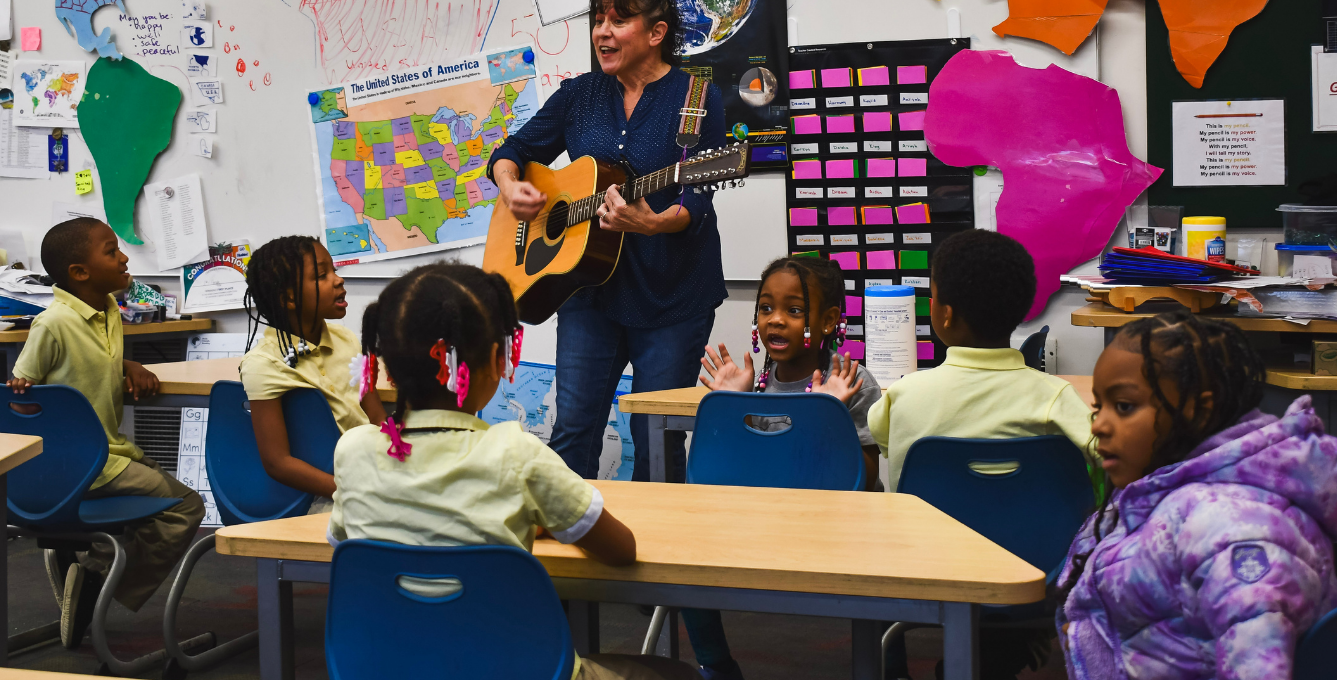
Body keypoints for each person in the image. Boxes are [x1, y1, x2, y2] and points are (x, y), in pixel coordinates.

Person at [329, 263, 701, 680]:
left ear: (386, 368)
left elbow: (346, 542)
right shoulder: (515, 453)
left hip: (388, 667)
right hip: (517, 670)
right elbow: (620, 549)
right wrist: (540, 518)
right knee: (678, 674)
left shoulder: (353, 451)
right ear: (494, 358)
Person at [487, 0, 727, 482]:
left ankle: (659, 555)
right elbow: (511, 153)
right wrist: (511, 187)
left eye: (619, 20)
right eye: (598, 20)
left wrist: (654, 223)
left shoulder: (695, 96)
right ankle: (573, 550)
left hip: (671, 297)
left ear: (656, 33)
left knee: (656, 439)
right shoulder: (579, 95)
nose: (603, 32)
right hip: (586, 292)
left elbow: (695, 197)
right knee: (573, 429)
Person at [866, 228, 1093, 679]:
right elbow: (1105, 453)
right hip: (1035, 569)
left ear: (944, 313)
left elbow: (890, 446)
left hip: (928, 564)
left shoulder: (903, 395)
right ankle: (1002, 653)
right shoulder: (1055, 396)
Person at [1059, 312, 1337, 679]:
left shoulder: (1234, 527)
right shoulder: (1159, 490)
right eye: (1099, 406)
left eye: (1124, 406)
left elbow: (1258, 661)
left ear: (1198, 410)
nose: (1098, 425)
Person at [8, 218, 204, 646]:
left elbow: (92, 363)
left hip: (108, 453)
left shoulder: (109, 310)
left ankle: (77, 559)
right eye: (112, 251)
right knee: (184, 506)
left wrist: (127, 366)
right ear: (80, 272)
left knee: (163, 495)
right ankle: (95, 577)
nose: (124, 257)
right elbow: (20, 393)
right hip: (80, 463)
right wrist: (23, 392)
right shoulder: (52, 323)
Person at [692, 254, 882, 680]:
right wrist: (728, 406)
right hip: (765, 525)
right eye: (766, 308)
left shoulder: (851, 383)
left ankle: (891, 664)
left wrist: (826, 413)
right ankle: (715, 663)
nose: (775, 320)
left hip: (835, 532)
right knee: (680, 552)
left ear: (830, 320)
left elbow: (864, 482)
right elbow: (731, 474)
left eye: (794, 310)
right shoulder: (756, 384)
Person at [240, 235, 386, 508]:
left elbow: (375, 413)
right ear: (289, 299)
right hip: (331, 491)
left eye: (335, 271)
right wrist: (352, 490)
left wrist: (403, 455)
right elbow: (277, 462)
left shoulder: (348, 340)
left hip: (373, 469)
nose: (338, 280)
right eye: (321, 275)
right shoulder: (263, 364)